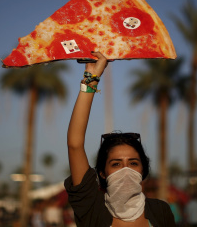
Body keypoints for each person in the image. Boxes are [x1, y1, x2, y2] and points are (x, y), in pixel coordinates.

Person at [64, 52, 176, 227]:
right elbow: (74, 145)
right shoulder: (92, 208)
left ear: (142, 169)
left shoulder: (160, 211)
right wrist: (91, 79)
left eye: (133, 163)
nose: (126, 170)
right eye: (116, 164)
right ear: (102, 172)